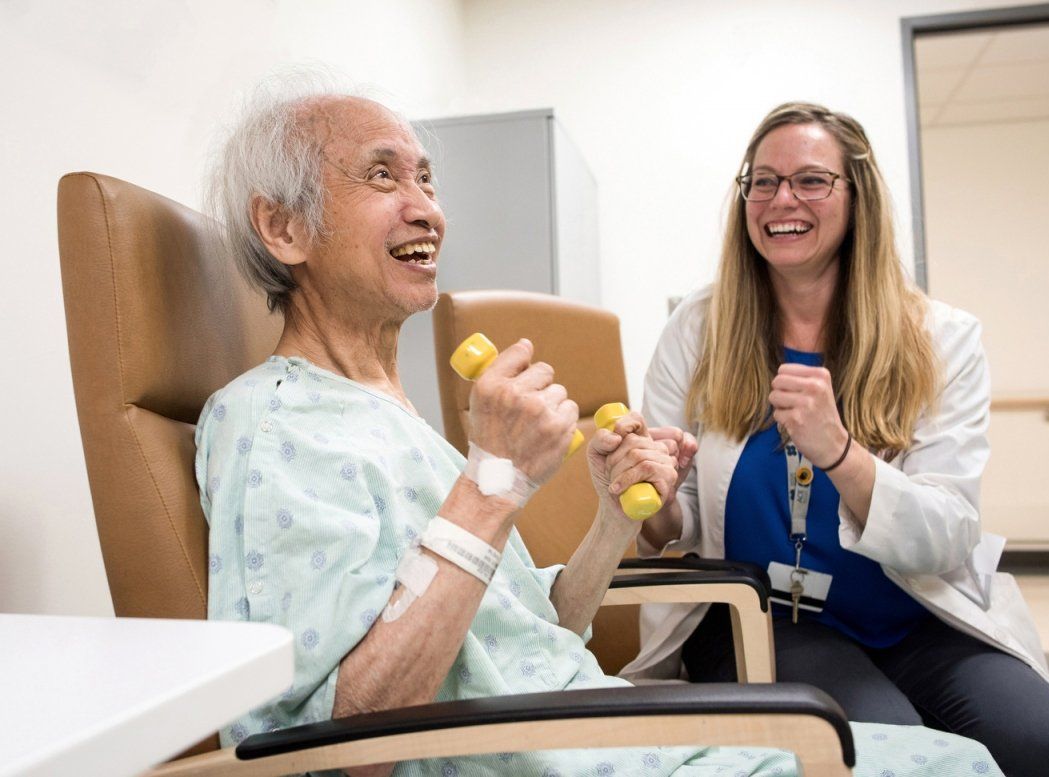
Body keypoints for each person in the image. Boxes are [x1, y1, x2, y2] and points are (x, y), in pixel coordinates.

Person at [196, 82, 999, 776]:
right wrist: (493, 481)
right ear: (285, 228)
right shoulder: (276, 422)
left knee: (969, 755)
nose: (428, 209)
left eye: (428, 179)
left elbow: (529, 630)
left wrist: (615, 520)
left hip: (590, 723)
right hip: (559, 748)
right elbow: (337, 743)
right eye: (382, 176)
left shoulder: (390, 415)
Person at [626, 101, 1049, 777]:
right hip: (767, 621)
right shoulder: (698, 331)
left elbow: (949, 532)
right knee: (891, 751)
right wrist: (656, 498)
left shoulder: (941, 338)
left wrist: (841, 455)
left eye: (811, 180)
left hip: (919, 613)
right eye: (762, 181)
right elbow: (682, 522)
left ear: (857, 197)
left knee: (1048, 750)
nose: (782, 199)